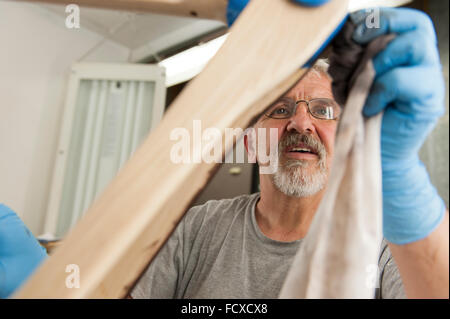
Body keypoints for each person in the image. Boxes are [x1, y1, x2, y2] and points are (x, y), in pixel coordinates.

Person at [130, 5, 449, 298]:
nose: (300, 123)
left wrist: (402, 178)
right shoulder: (195, 228)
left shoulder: (382, 244)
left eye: (323, 110)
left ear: (346, 142)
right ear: (250, 144)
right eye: (280, 109)